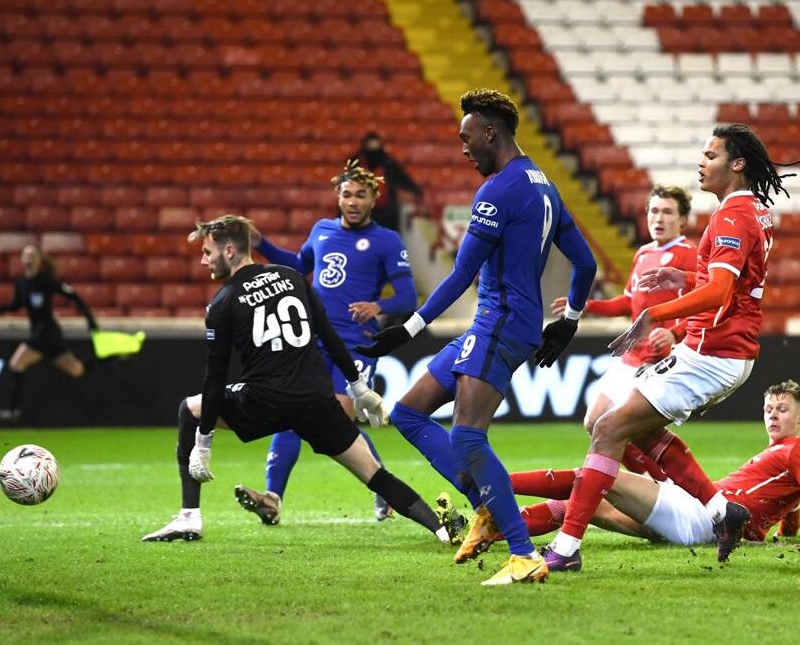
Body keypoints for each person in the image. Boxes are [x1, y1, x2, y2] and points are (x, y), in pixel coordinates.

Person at [355, 89, 598, 585]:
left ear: (491, 133)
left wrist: (409, 329)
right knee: (408, 411)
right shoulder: (544, 185)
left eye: (467, 138)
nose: (463, 149)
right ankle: (487, 505)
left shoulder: (498, 191)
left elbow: (462, 273)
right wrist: (568, 320)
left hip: (500, 322)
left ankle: (524, 552)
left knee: (467, 436)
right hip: (511, 323)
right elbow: (586, 262)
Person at [543, 124, 800, 572]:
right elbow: (733, 284)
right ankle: (723, 510)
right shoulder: (754, 212)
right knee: (632, 428)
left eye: (711, 155)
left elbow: (721, 292)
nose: (701, 163)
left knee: (606, 429)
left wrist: (657, 314)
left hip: (712, 352)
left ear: (736, 165)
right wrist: (683, 280)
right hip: (725, 350)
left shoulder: (731, 217)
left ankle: (564, 550)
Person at [141, 215, 453, 546]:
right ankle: (443, 530)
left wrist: (203, 441)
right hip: (317, 402)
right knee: (376, 474)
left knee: (188, 408)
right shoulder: (292, 278)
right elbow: (328, 335)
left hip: (264, 402)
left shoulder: (223, 302)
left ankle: (190, 517)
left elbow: (215, 377)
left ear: (229, 251)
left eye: (207, 252)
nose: (203, 260)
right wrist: (359, 388)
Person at [234, 159, 418, 524]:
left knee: (335, 420)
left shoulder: (387, 240)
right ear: (337, 196)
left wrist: (377, 305)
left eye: (360, 195)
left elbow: (409, 297)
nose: (352, 201)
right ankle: (272, 498)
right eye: (346, 194)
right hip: (312, 339)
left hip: (354, 344)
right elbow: (299, 265)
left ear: (373, 199)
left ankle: (385, 490)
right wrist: (262, 244)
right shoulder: (321, 230)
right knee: (295, 414)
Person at [502, 380, 800, 556]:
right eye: (768, 409)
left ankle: (496, 484)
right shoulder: (782, 455)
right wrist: (784, 532)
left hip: (701, 517)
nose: (773, 415)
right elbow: (790, 500)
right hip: (692, 517)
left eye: (782, 409)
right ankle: (494, 527)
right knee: (588, 503)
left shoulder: (799, 450)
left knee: (595, 477)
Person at [550, 185, 697, 476]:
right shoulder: (643, 254)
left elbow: (706, 307)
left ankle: (660, 485)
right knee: (594, 422)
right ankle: (652, 483)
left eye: (668, 212)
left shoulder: (689, 255)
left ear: (682, 220)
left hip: (660, 361)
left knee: (627, 429)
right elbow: (629, 301)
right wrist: (583, 304)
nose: (659, 218)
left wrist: (674, 333)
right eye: (654, 210)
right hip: (631, 355)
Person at [0, 245, 98, 422]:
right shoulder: (21, 282)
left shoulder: (47, 281)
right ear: (22, 259)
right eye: (26, 255)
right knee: (76, 370)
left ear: (39, 260)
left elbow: (74, 296)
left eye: (33, 255)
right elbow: (17, 304)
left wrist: (90, 319)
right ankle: (113, 358)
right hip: (46, 334)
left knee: (16, 364)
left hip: (46, 331)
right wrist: (3, 309)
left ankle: (12, 411)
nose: (29, 258)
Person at [350, 131, 423, 233]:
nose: (373, 147)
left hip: (386, 210)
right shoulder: (356, 162)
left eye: (375, 144)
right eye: (370, 144)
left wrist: (415, 190)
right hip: (362, 210)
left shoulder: (388, 163)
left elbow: (402, 178)